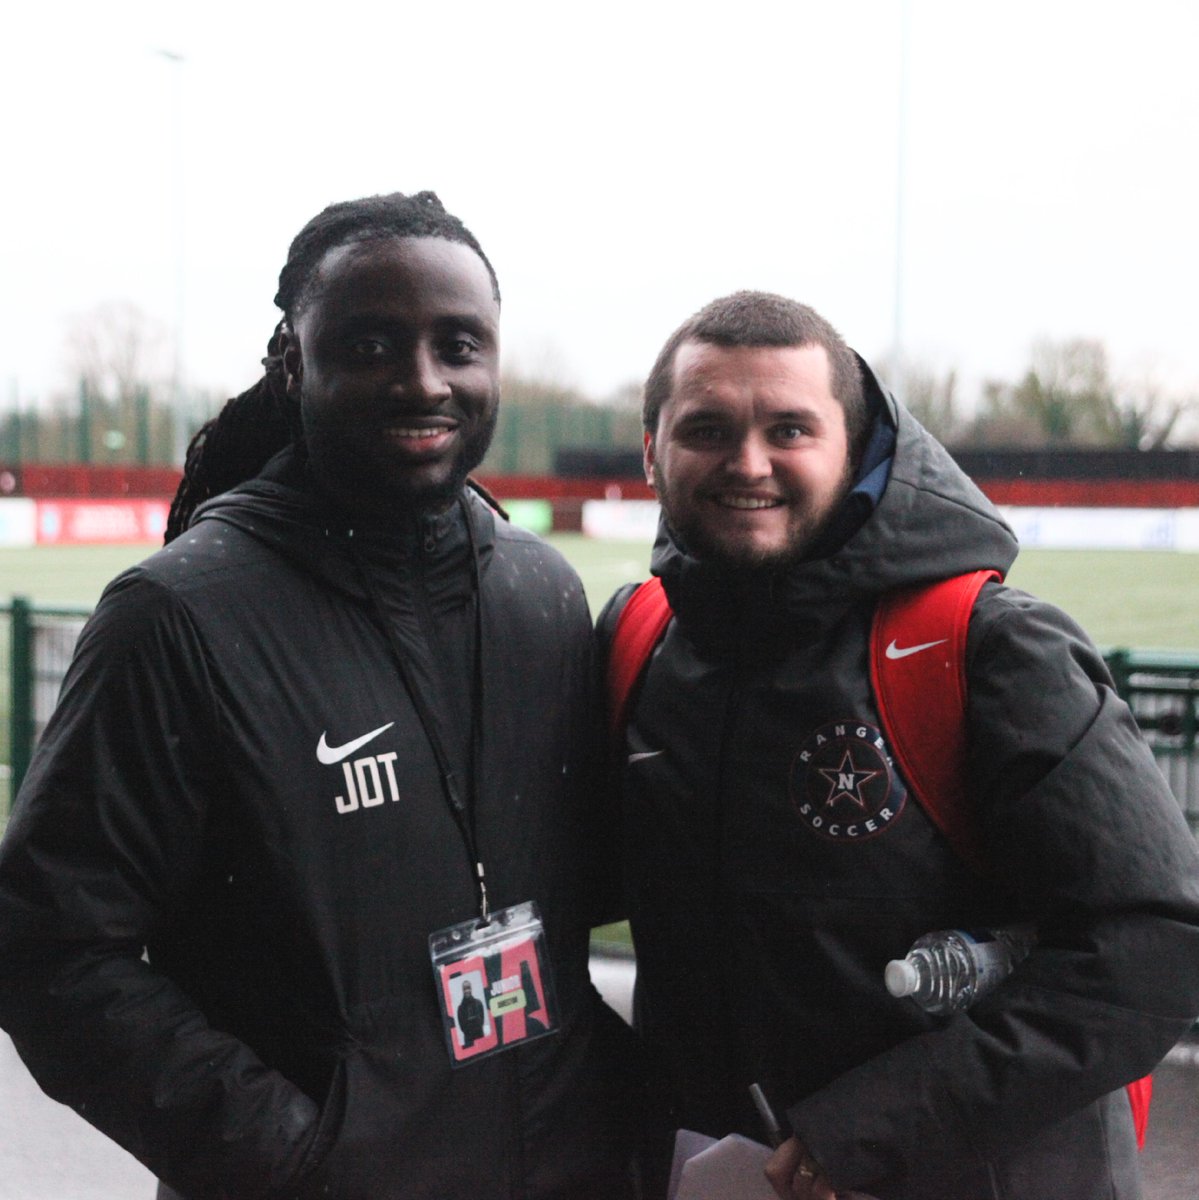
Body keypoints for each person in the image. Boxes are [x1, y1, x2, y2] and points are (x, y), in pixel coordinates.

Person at [0, 191, 635, 1200]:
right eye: (373, 345)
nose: (422, 380)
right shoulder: (177, 617)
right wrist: (300, 1159)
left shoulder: (541, 593)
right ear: (292, 361)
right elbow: (53, 952)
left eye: (458, 345)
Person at [599, 290, 1199, 1200]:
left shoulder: (988, 646)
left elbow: (1156, 941)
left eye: (789, 430)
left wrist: (866, 1133)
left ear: (856, 445)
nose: (747, 462)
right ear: (652, 452)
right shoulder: (639, 639)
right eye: (707, 430)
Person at [457, 980, 487, 1047]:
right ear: (462, 990)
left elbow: (482, 1020)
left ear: (471, 989)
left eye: (468, 988)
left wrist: (476, 1027)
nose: (467, 990)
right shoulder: (460, 1008)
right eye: (465, 989)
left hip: (479, 1036)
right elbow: (462, 1026)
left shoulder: (479, 1003)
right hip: (469, 1039)